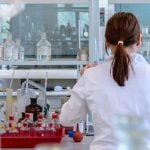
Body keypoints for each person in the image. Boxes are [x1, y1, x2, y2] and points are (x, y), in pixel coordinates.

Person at [59, 12, 150, 149]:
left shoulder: (91, 76)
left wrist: (83, 79)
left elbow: (66, 119)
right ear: (139, 40)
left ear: (106, 42)